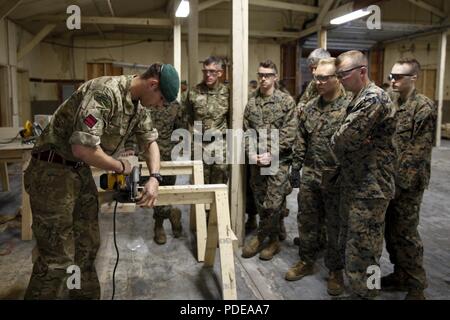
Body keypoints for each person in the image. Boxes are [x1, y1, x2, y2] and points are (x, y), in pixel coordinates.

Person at [24, 63, 180, 299]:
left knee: (87, 247)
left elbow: (150, 142)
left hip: (78, 171)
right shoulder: (105, 93)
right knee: (57, 258)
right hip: (51, 171)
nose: (160, 105)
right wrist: (120, 166)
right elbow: (81, 148)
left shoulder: (138, 105)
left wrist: (155, 178)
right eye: (161, 99)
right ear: (152, 84)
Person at [331, 50, 397, 299]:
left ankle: (368, 294)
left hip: (371, 187)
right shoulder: (357, 96)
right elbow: (346, 136)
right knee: (354, 243)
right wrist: (353, 138)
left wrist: (348, 138)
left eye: (343, 75)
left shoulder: (374, 99)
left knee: (365, 247)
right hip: (357, 182)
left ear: (361, 72)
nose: (340, 80)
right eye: (337, 75)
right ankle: (362, 291)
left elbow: (341, 138)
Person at [285, 58, 350, 297]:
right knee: (307, 221)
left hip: (337, 177)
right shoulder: (309, 107)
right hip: (311, 175)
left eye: (324, 78)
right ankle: (306, 260)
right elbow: (301, 140)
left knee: (336, 226)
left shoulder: (351, 107)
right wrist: (295, 169)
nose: (319, 82)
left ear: (337, 78)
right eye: (316, 77)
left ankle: (335, 270)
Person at [382, 58, 436, 300]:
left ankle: (416, 286)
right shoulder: (390, 100)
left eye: (399, 76)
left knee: (406, 233)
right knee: (390, 232)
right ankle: (400, 274)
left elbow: (417, 152)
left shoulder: (423, 108)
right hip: (388, 179)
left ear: (413, 78)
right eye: (392, 75)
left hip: (408, 183)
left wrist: (398, 185)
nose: (393, 80)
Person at [241, 60, 297, 261]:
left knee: (273, 204)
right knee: (260, 202)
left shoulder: (286, 102)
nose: (263, 79)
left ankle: (263, 237)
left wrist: (271, 153)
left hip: (278, 161)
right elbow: (246, 132)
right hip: (257, 162)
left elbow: (290, 133)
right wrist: (252, 154)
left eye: (267, 75)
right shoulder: (251, 102)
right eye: (260, 75)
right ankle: (273, 237)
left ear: (275, 77)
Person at [124, 100, 187, 245]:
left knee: (164, 193)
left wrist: (179, 150)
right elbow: (131, 128)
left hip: (167, 158)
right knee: (146, 193)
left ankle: (158, 226)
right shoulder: (142, 104)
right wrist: (129, 147)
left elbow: (181, 131)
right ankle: (172, 214)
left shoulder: (175, 106)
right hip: (145, 158)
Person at [184, 56, 230, 185]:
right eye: (205, 71)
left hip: (221, 144)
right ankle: (201, 206)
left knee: (220, 181)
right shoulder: (194, 92)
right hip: (200, 143)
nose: (208, 75)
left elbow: (231, 118)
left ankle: (218, 206)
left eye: (212, 71)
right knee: (199, 181)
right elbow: (189, 116)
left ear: (220, 73)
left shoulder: (227, 93)